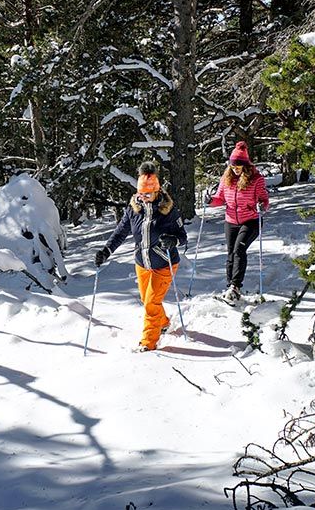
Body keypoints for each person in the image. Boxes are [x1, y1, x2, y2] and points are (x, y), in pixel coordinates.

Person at [94, 162, 188, 352]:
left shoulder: (168, 211)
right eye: (140, 193)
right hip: (142, 264)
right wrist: (106, 251)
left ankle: (148, 343)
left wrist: (173, 240)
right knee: (148, 301)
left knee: (152, 303)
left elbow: (182, 237)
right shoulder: (133, 209)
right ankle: (163, 322)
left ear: (156, 191)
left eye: (147, 194)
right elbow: (120, 233)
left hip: (164, 263)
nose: (143, 198)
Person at [208, 141, 270, 304]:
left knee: (238, 250)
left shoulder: (256, 179)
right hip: (231, 220)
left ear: (245, 165)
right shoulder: (226, 177)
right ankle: (230, 287)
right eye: (232, 165)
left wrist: (261, 206)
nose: (234, 169)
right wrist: (210, 201)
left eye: (238, 166)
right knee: (230, 254)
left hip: (251, 220)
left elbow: (264, 200)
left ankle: (235, 286)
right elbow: (220, 198)